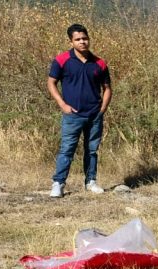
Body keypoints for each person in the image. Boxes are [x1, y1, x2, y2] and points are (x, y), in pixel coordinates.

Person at [47, 24, 112, 199]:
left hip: (94, 115)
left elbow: (107, 88)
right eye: (78, 39)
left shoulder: (99, 63)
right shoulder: (62, 60)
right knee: (67, 149)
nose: (82, 42)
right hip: (72, 115)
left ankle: (90, 181)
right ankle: (58, 183)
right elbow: (51, 82)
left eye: (85, 38)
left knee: (91, 150)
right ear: (71, 41)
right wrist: (62, 104)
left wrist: (102, 108)